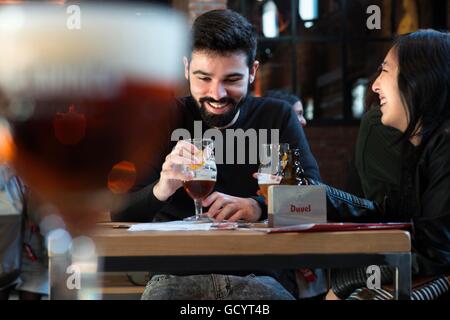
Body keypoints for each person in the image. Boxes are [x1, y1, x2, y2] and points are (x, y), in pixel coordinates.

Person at [112, 9, 320, 300]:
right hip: (175, 276)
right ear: (186, 69)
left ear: (253, 72)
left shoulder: (275, 117)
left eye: (232, 79)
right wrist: (161, 188)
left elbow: (312, 202)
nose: (217, 94)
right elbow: (120, 210)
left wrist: (258, 206)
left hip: (260, 276)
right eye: (203, 78)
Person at [315, 29, 450, 300]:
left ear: (417, 79)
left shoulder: (445, 145)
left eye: (385, 72)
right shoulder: (417, 146)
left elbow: (436, 254)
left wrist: (344, 284)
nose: (375, 86)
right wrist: (298, 198)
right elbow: (388, 217)